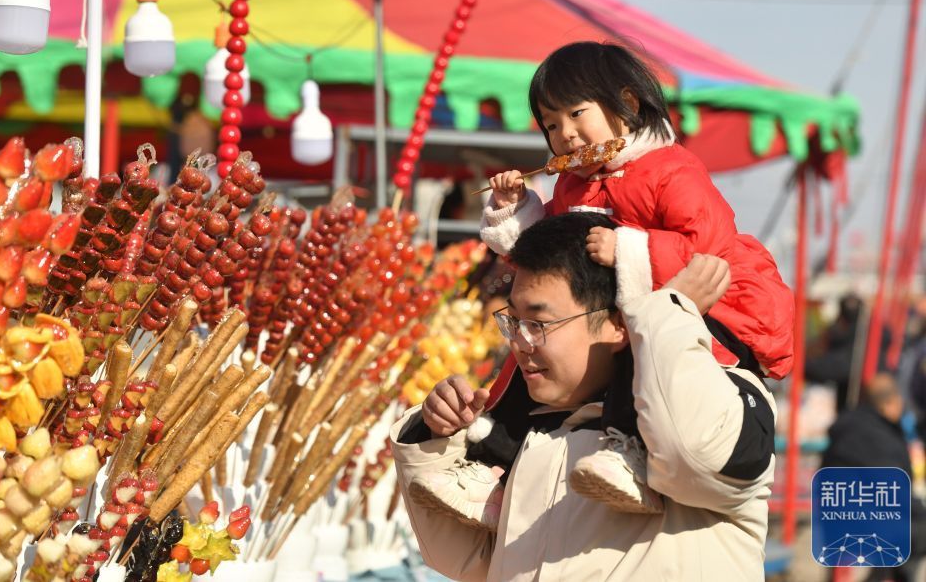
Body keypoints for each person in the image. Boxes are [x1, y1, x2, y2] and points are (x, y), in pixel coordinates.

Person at [391, 212, 777, 580]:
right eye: (514, 322)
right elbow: (464, 559)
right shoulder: (530, 433)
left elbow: (692, 456)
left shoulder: (726, 400)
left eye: (539, 323)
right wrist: (435, 437)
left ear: (618, 324)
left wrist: (669, 313)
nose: (521, 343)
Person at [821, 372, 926, 581]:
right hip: (862, 523)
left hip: (832, 517)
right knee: (919, 533)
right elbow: (896, 490)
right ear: (889, 403)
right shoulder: (878, 437)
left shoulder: (848, 424)